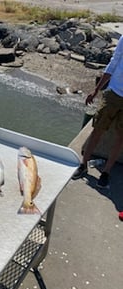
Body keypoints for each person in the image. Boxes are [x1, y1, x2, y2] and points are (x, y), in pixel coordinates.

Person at [72, 35, 123, 188]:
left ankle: (106, 172)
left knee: (121, 138)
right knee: (97, 130)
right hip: (113, 92)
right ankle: (83, 164)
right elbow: (114, 62)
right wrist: (96, 90)